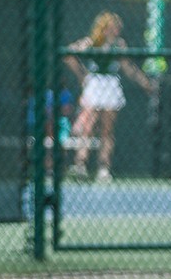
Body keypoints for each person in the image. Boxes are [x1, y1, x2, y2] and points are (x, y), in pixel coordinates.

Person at [64, 11, 153, 182]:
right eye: (114, 26)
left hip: (111, 85)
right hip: (94, 84)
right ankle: (80, 165)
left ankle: (104, 169)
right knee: (88, 126)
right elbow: (69, 54)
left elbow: (128, 68)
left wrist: (145, 83)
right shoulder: (91, 42)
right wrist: (82, 75)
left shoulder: (119, 45)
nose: (117, 30)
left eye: (118, 27)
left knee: (107, 130)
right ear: (104, 27)